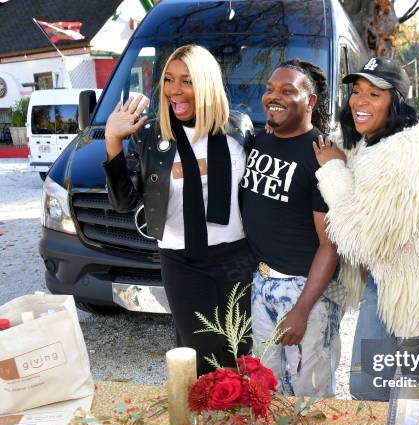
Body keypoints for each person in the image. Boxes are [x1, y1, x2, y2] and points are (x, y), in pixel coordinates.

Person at [313, 57, 419, 380]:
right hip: (388, 278)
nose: (360, 101)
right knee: (368, 384)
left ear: (396, 103)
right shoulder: (374, 142)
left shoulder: (403, 153)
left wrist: (333, 169)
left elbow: (360, 238)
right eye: (357, 91)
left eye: (374, 94)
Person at [103, 44, 255, 375]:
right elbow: (123, 202)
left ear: (207, 82)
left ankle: (242, 424)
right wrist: (112, 142)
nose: (175, 90)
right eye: (169, 80)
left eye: (187, 81)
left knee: (242, 350)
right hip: (182, 262)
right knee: (202, 355)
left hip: (237, 259)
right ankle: (205, 422)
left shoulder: (239, 129)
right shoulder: (151, 134)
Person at [240, 59, 341, 397]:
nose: (273, 96)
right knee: (268, 387)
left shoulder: (322, 157)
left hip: (305, 292)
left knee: (310, 395)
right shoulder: (260, 140)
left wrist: (301, 310)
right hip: (263, 282)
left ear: (310, 101)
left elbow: (330, 245)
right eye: (269, 89)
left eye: (287, 90)